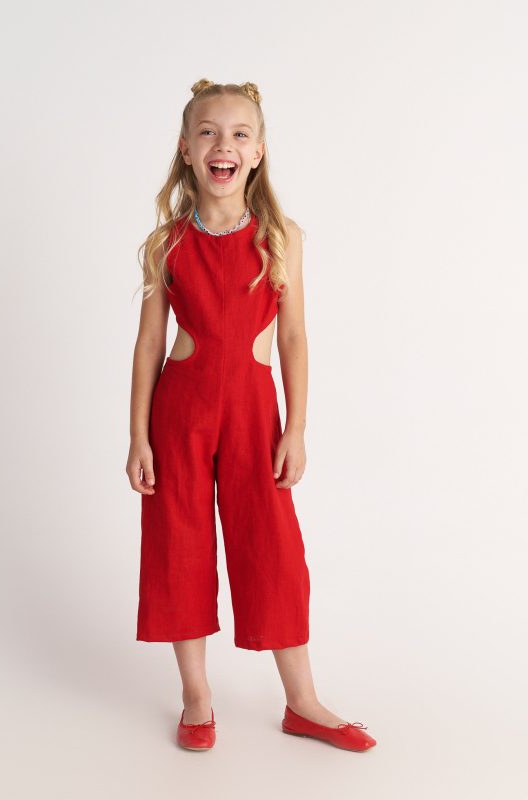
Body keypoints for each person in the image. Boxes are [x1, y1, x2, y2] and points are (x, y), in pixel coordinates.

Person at [126, 79, 376, 753]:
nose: (224, 144)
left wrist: (296, 428)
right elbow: (149, 345)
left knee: (273, 547)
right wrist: (138, 436)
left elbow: (293, 336)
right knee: (178, 544)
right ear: (186, 148)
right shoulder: (166, 242)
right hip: (180, 413)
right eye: (208, 132)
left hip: (253, 413)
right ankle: (196, 697)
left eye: (239, 134)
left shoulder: (281, 238)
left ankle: (303, 703)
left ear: (259, 151)